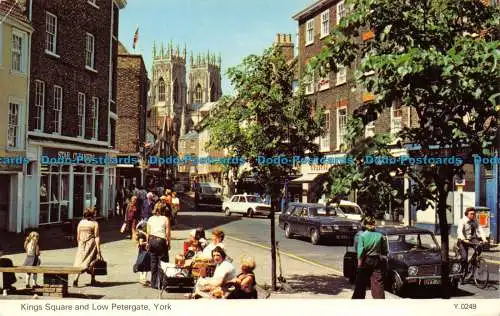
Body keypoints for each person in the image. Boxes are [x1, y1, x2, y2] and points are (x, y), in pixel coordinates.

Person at [352, 216, 387, 299]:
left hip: (366, 260)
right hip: (377, 260)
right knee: (378, 282)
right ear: (374, 224)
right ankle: (379, 301)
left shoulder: (362, 236)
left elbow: (360, 253)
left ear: (365, 224)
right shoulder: (380, 236)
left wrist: (359, 265)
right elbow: (384, 250)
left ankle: (358, 299)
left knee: (361, 282)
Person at [73, 207, 102, 287]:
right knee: (91, 262)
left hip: (81, 244)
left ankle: (76, 279)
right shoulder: (95, 223)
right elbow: (97, 237)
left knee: (80, 261)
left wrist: (81, 244)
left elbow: (78, 236)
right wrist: (98, 249)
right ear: (92, 215)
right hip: (91, 244)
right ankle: (91, 279)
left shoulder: (81, 222)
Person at [457, 207, 487, 282]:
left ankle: (472, 261)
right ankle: (461, 273)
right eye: (471, 214)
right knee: (464, 257)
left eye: (474, 214)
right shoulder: (462, 221)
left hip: (472, 239)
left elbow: (480, 229)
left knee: (479, 247)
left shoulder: (475, 221)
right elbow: (459, 231)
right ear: (467, 214)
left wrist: (484, 238)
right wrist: (463, 239)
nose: (473, 215)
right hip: (463, 240)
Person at [147, 203, 171, 289]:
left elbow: (148, 232)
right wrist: (169, 242)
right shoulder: (165, 219)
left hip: (152, 240)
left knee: (153, 262)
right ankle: (160, 283)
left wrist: (147, 242)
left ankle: (153, 283)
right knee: (162, 262)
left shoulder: (150, 219)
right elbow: (167, 232)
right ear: (163, 210)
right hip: (161, 241)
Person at [134, 220, 151, 286]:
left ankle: (142, 278)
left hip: (143, 251)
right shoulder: (142, 234)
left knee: (143, 264)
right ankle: (143, 278)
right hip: (144, 251)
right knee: (145, 264)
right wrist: (148, 243)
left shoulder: (142, 234)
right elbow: (141, 243)